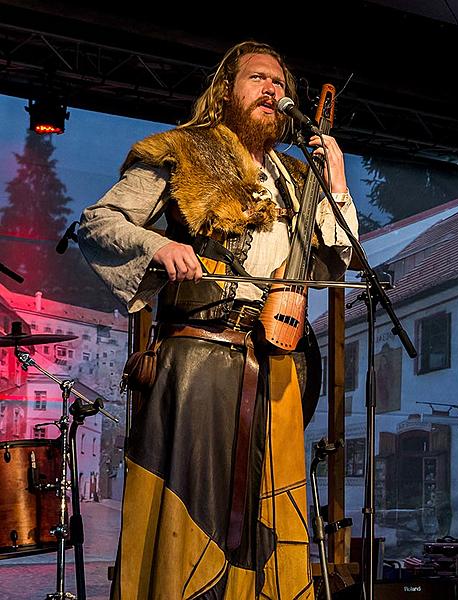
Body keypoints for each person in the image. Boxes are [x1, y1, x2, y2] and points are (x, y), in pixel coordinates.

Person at [78, 41, 358, 599]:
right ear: (226, 89)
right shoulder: (182, 151)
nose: (272, 91)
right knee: (195, 506)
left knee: (272, 511)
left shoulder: (295, 180)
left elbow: (335, 259)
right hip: (199, 359)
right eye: (258, 79)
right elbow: (98, 222)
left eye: (280, 85)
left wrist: (337, 184)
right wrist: (157, 245)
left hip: (275, 363)